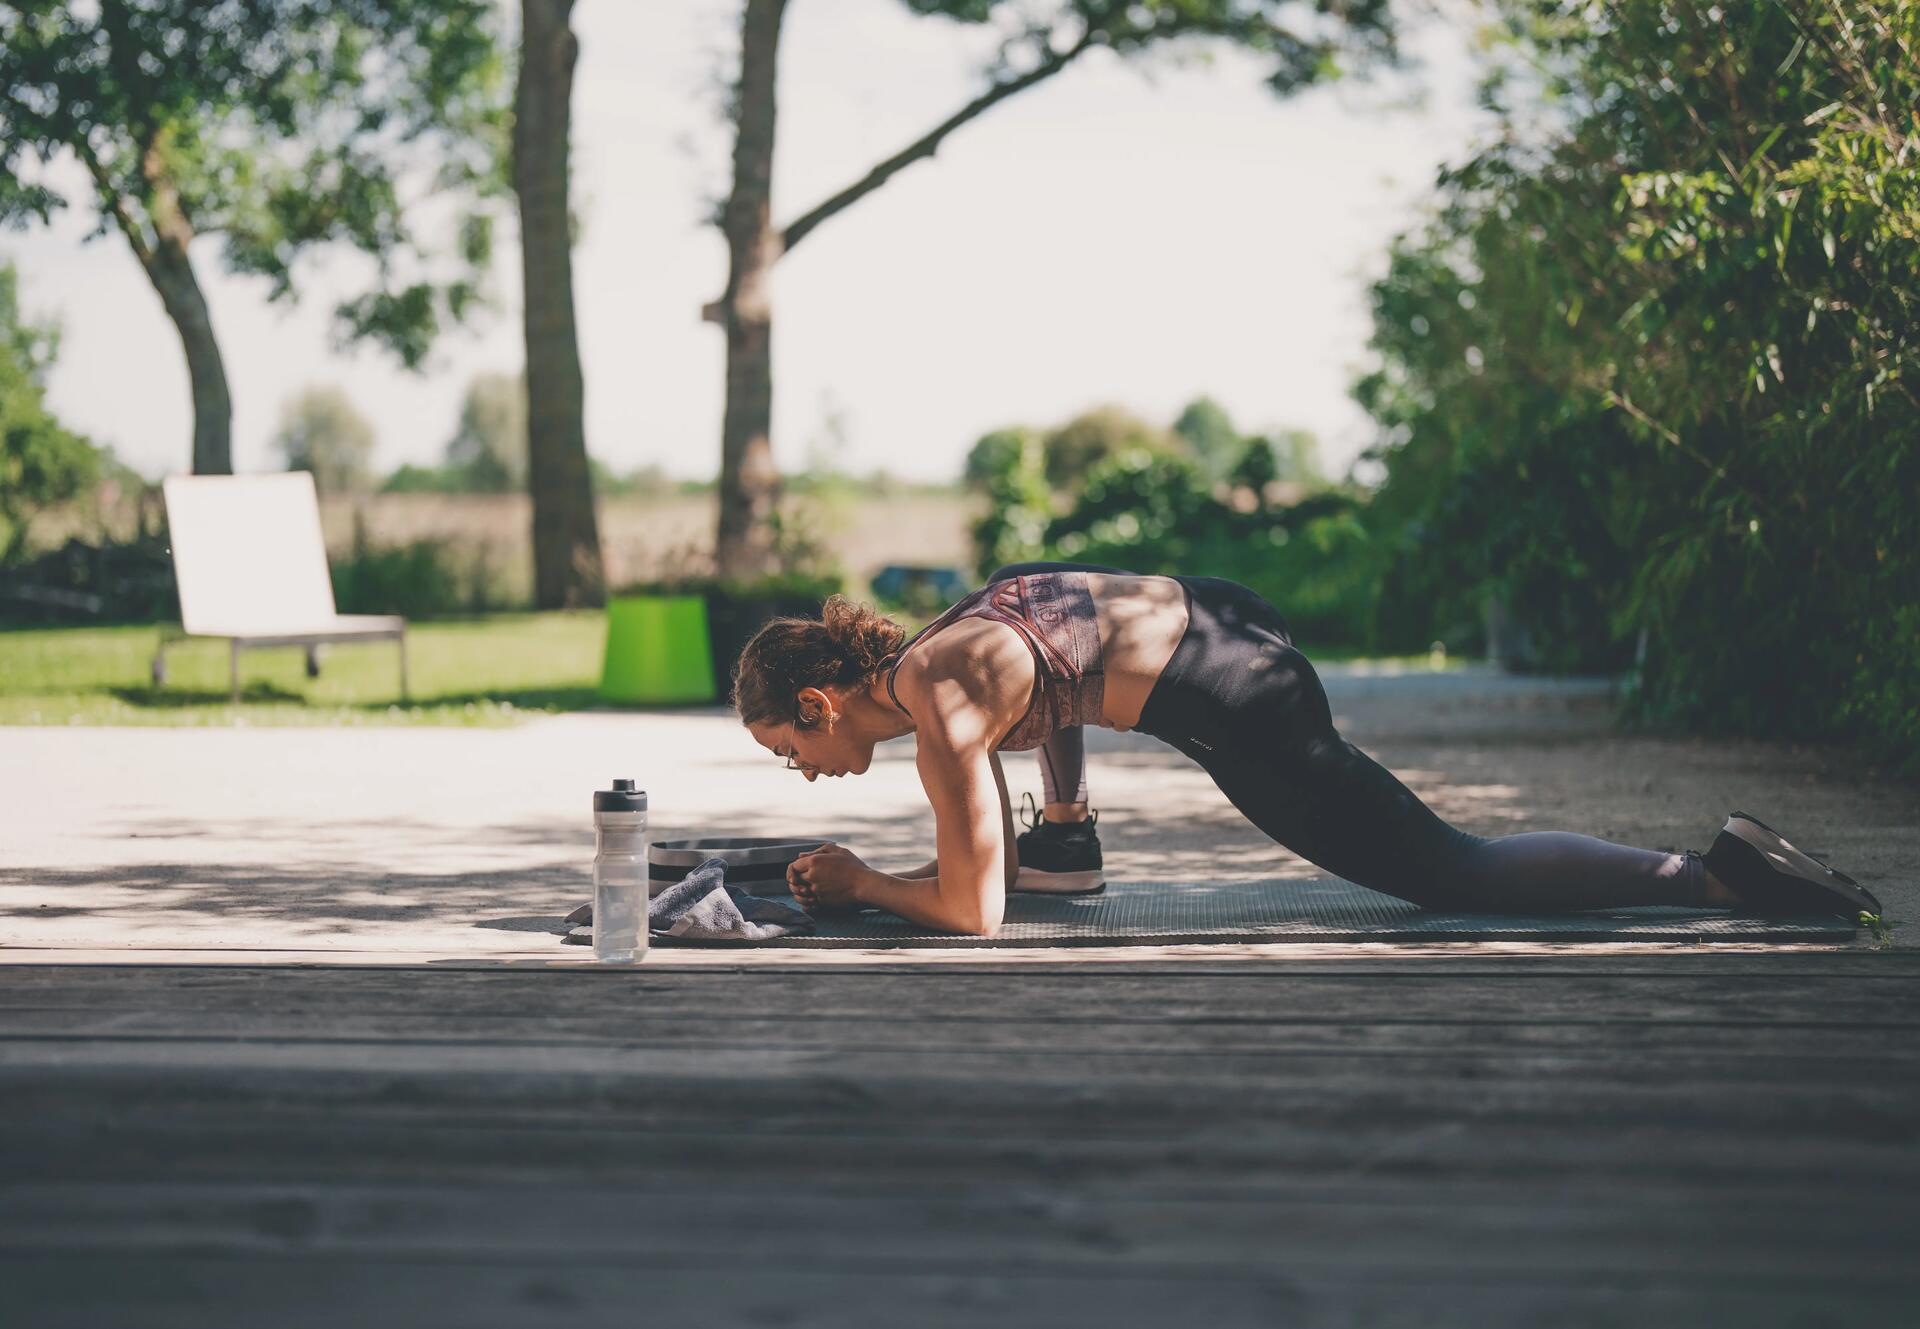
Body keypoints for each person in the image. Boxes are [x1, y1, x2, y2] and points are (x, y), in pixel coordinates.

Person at [733, 561, 1880, 937]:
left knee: (1450, 873)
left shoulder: (936, 699)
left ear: (822, 701)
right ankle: (1724, 869)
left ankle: (1721, 876)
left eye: (787, 745)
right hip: (1228, 626)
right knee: (1441, 862)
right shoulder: (949, 650)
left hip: (1232, 697)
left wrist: (860, 882)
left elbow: (973, 915)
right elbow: (1060, 649)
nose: (797, 766)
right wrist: (1066, 828)